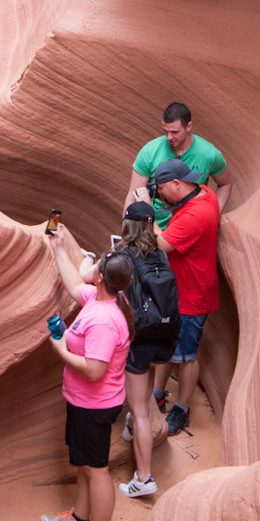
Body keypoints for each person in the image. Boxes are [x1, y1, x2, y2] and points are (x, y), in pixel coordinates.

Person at [39, 240, 134, 521]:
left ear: (101, 277)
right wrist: (57, 247)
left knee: (97, 469)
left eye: (96, 266)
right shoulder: (97, 298)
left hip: (95, 405)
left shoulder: (105, 321)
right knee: (84, 464)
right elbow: (73, 284)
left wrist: (61, 350)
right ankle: (80, 517)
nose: (90, 269)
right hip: (83, 402)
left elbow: (95, 370)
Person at [148, 161, 222, 435]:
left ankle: (182, 409)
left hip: (192, 295)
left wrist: (148, 214)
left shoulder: (196, 213)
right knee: (168, 344)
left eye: (162, 189)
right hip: (179, 289)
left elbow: (161, 244)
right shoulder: (204, 192)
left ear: (177, 184)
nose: (160, 194)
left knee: (187, 356)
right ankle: (157, 393)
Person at [117, 204, 181, 498]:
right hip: (165, 336)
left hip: (140, 337)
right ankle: (132, 424)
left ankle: (143, 478)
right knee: (143, 395)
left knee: (141, 412)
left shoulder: (123, 257)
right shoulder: (162, 255)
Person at [125, 101, 232, 222]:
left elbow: (225, 184)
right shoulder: (150, 152)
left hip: (190, 224)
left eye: (175, 132)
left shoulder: (209, 154)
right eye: (166, 131)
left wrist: (213, 215)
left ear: (188, 126)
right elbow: (134, 195)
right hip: (153, 224)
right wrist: (127, 227)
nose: (169, 137)